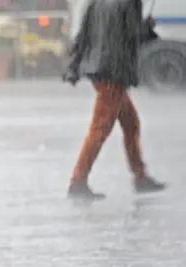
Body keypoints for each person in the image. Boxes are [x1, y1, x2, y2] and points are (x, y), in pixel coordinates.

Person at [64, 0, 165, 200]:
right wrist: (148, 27)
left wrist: (73, 66)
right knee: (100, 128)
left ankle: (140, 176)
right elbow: (131, 36)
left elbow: (83, 36)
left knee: (130, 123)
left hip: (98, 70)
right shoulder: (130, 3)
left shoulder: (96, 3)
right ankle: (78, 180)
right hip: (114, 72)